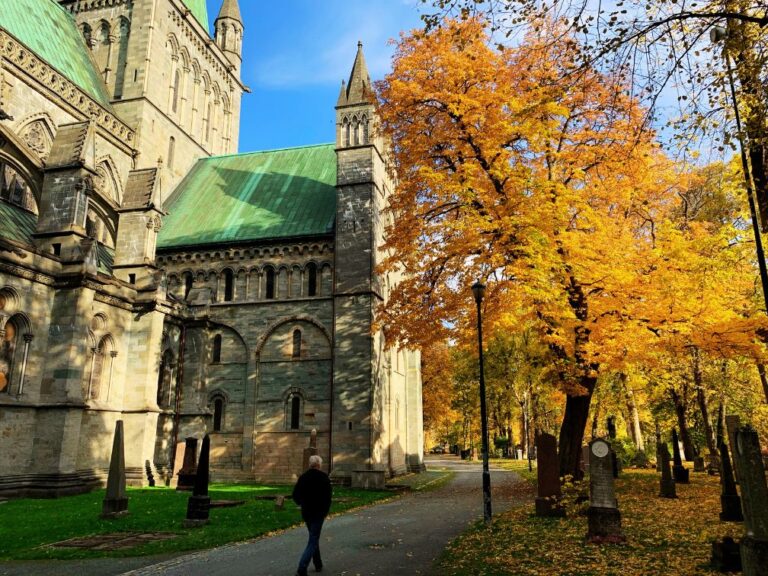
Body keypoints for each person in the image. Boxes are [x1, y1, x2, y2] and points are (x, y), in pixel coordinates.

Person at [292, 454, 332, 576]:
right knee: (313, 539)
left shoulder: (303, 477)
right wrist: (325, 511)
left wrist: (302, 503)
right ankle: (302, 567)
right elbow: (328, 497)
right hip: (318, 513)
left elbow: (295, 495)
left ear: (310, 464)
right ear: (319, 465)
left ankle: (318, 564)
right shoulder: (324, 477)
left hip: (307, 513)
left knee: (313, 537)